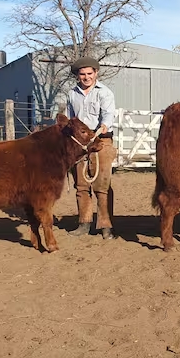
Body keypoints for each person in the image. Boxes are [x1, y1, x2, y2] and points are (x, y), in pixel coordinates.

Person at [65, 56, 117, 239]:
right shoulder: (72, 94)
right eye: (82, 74)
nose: (86, 77)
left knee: (102, 185)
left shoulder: (105, 93)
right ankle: (84, 223)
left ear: (96, 73)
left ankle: (106, 226)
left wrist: (103, 126)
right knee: (81, 185)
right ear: (77, 75)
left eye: (89, 73)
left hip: (100, 140)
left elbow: (108, 115)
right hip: (80, 144)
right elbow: (71, 118)